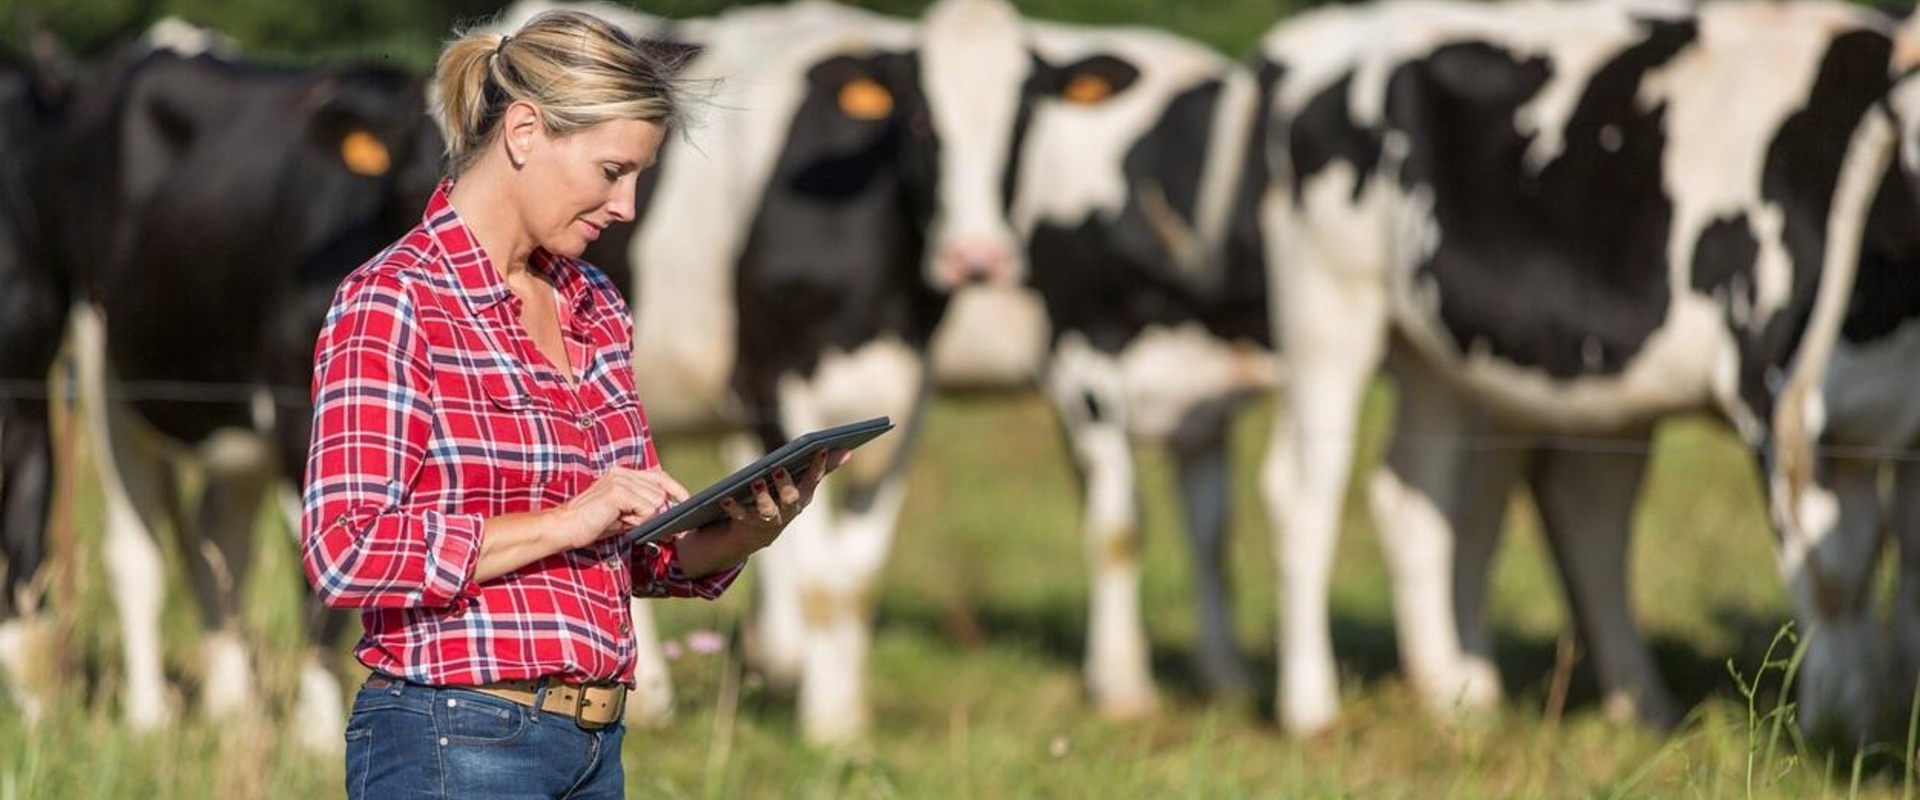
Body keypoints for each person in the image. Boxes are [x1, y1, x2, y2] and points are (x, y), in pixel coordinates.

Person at [300, 10, 835, 798]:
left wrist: (743, 533)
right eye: (613, 170)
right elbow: (346, 551)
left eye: (640, 177)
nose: (627, 206)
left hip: (592, 746)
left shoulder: (595, 303)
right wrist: (568, 520)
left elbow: (630, 551)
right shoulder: (394, 302)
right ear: (525, 131)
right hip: (452, 738)